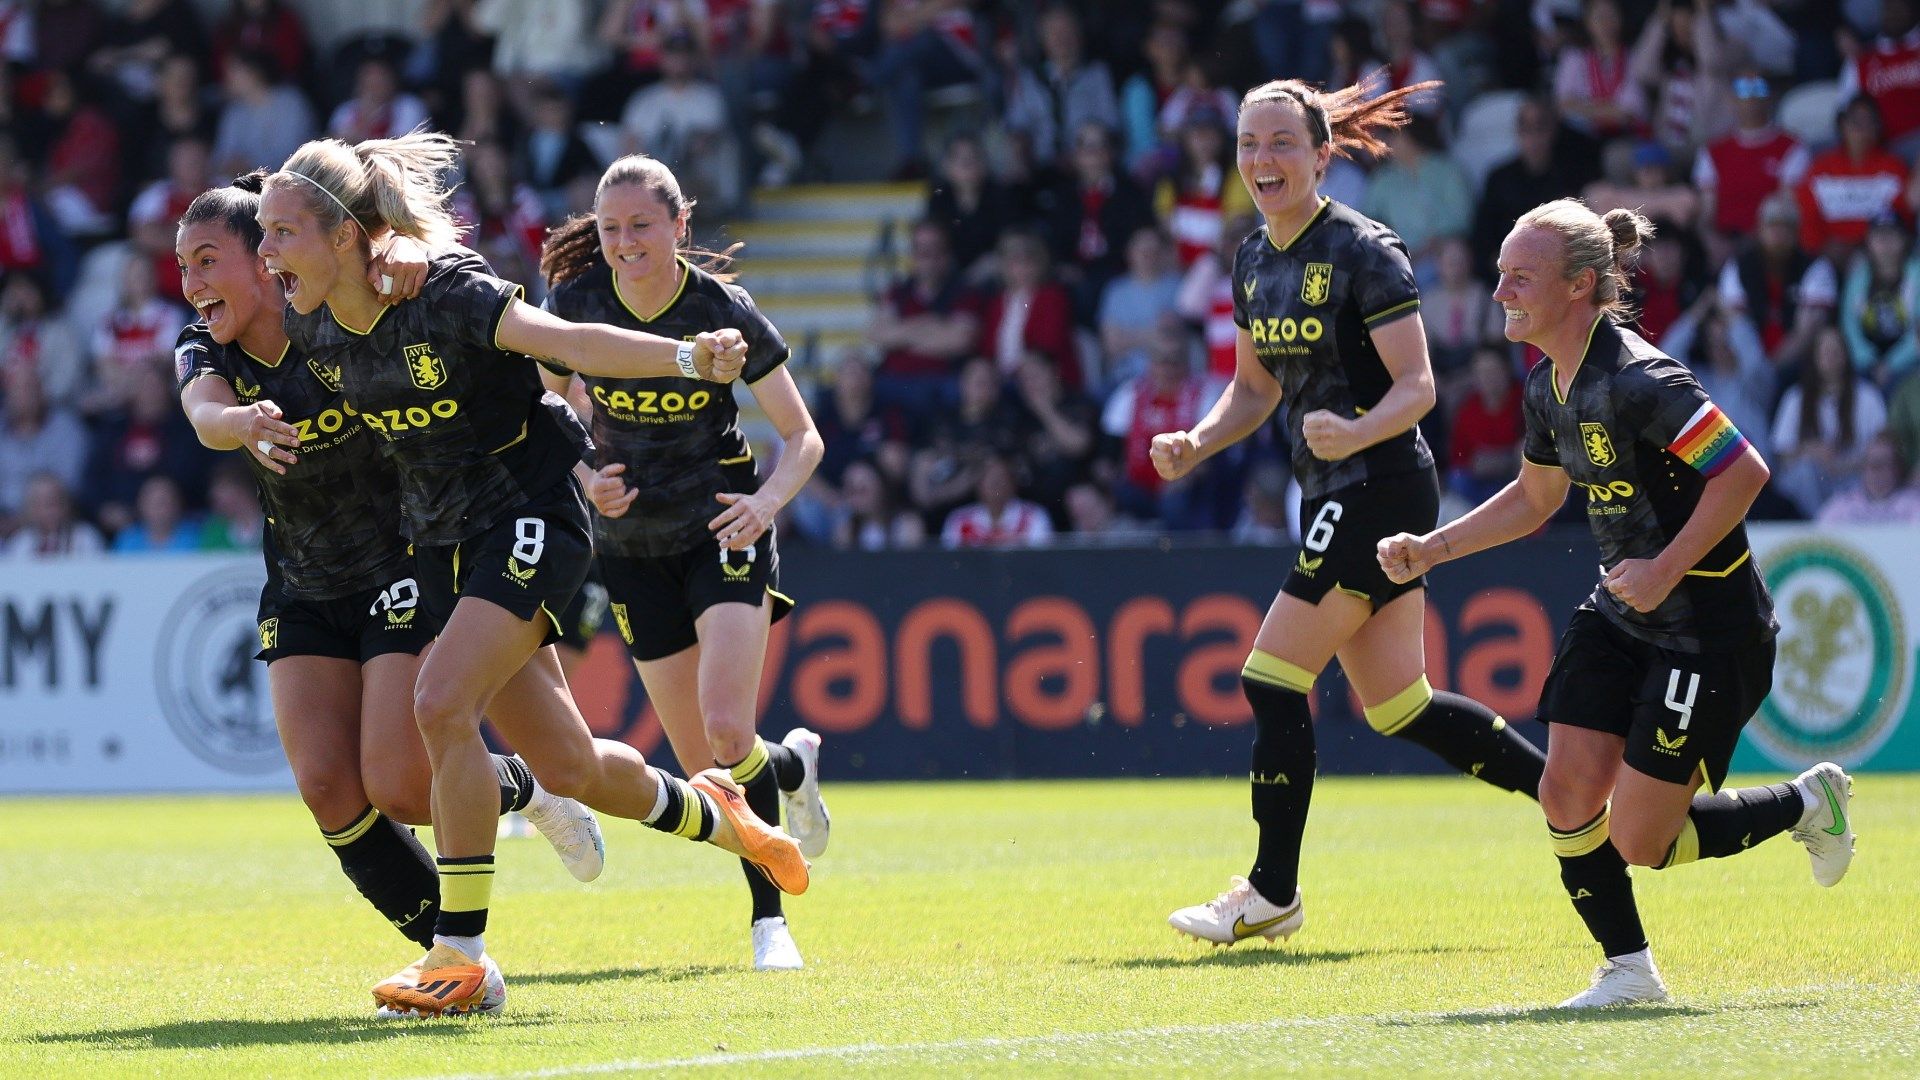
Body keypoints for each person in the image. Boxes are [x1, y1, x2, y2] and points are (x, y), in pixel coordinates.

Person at [257, 131, 807, 1017]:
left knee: (440, 704)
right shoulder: (315, 326)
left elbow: (569, 340)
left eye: (282, 233)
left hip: (529, 517)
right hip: (440, 546)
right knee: (571, 765)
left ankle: (461, 958)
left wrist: (683, 356)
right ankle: (732, 820)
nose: (267, 252)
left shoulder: (444, 289)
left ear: (346, 234)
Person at [1378, 199, 1855, 1007]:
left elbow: (1743, 471)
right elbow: (1534, 500)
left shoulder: (1643, 380)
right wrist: (1433, 549)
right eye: (1499, 274)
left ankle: (1808, 802)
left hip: (1706, 631)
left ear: (1580, 286)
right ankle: (1629, 971)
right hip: (1620, 614)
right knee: (1564, 792)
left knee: (1641, 840)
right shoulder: (1546, 385)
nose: (1499, 292)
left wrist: (1667, 568)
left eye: (1519, 277)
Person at [173, 175, 606, 1007]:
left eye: (208, 259)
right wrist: (241, 424)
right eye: (183, 266)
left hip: (405, 562)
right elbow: (203, 413)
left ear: (268, 258)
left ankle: (469, 930)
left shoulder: (336, 317)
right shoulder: (205, 348)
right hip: (301, 579)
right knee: (330, 790)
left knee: (403, 785)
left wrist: (409, 248)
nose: (192, 283)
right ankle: (459, 960)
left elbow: (433, 306)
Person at [1152, 73, 1549, 948]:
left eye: (1282, 143)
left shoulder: (1366, 250)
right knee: (1399, 705)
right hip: (1330, 489)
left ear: (1323, 155)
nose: (1263, 159)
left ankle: (1270, 891)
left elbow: (1419, 387)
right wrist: (1197, 441)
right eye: (1250, 144)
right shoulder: (1252, 257)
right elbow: (1251, 391)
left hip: (1380, 485)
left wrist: (1356, 428)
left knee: (1270, 676)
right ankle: (1566, 795)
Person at [539, 154, 833, 970]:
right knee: (709, 770)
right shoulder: (576, 304)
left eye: (641, 225)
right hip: (630, 550)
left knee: (726, 730)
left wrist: (764, 505)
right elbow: (548, 407)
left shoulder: (722, 310)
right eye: (610, 229)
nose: (626, 242)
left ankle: (770, 924)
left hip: (722, 532)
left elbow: (803, 436)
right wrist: (585, 475)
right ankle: (793, 765)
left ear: (679, 227)